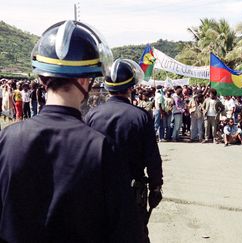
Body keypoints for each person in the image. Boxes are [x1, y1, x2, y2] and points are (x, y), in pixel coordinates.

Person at [0, 20, 141, 242]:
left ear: (42, 78)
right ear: (85, 80)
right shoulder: (101, 147)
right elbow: (126, 232)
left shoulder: (7, 138)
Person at [85, 58, 163, 243]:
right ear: (131, 87)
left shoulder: (92, 115)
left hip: (98, 191)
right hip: (131, 194)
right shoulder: (141, 117)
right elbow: (152, 157)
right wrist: (156, 187)